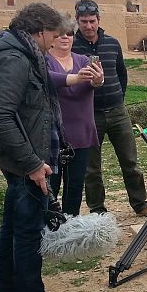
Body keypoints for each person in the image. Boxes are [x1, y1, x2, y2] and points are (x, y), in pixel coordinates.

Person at [0, 3, 79, 292]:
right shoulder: (16, 60)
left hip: (21, 156)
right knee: (28, 231)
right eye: (54, 35)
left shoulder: (17, 54)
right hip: (26, 159)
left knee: (12, 226)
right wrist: (32, 163)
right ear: (41, 30)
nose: (55, 41)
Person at [70, 0, 147, 216]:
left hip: (117, 111)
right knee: (92, 169)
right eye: (84, 22)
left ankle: (140, 204)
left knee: (130, 162)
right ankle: (98, 211)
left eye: (92, 21)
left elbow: (121, 74)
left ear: (99, 20)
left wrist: (118, 98)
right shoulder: (71, 46)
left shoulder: (112, 43)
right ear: (77, 21)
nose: (88, 26)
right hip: (88, 116)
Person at [45, 14, 104, 216]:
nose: (65, 38)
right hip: (53, 134)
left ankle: (70, 224)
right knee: (50, 185)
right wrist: (74, 78)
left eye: (69, 34)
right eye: (60, 34)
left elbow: (95, 84)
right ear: (51, 37)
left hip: (81, 131)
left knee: (75, 185)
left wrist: (98, 80)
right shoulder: (43, 60)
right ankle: (49, 226)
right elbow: (47, 79)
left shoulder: (84, 60)